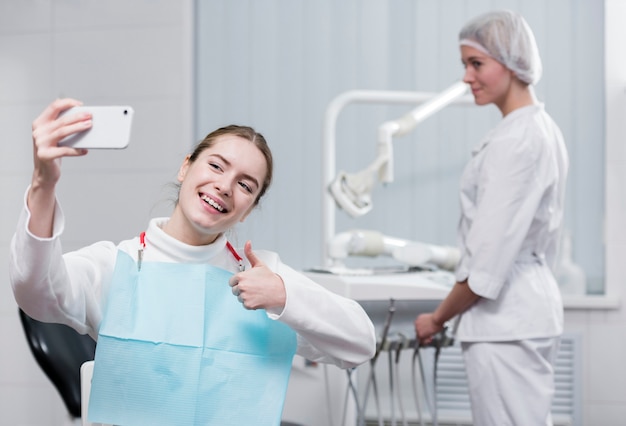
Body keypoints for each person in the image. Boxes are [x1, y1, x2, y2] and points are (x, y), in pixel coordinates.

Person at [10, 98, 377, 426]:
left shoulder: (263, 279)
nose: (225, 186)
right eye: (216, 166)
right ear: (186, 168)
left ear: (249, 210)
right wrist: (43, 182)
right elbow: (35, 293)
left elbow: (360, 344)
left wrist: (286, 296)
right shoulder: (116, 265)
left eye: (246, 185)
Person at [414, 10, 568, 426]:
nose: (467, 77)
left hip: (506, 323)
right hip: (526, 312)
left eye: (476, 63)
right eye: (465, 64)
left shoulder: (516, 141)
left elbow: (485, 267)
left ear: (513, 61)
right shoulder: (539, 129)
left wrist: (436, 318)